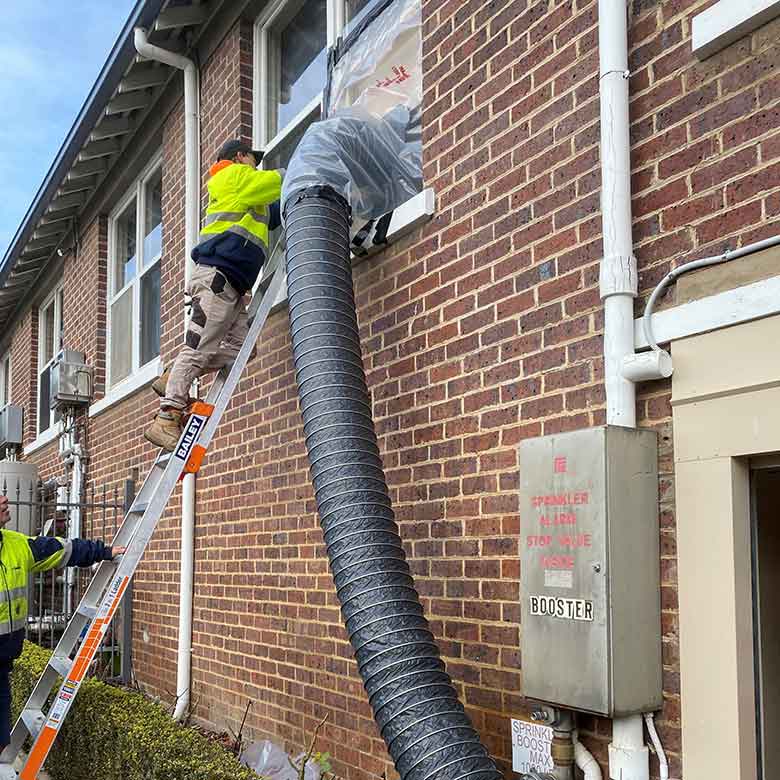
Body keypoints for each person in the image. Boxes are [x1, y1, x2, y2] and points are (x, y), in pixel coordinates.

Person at [145, 139, 285, 451]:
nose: (256, 165)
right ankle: (166, 418)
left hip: (232, 286)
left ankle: (173, 375)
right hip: (217, 280)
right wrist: (300, 169)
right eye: (253, 159)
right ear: (240, 157)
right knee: (197, 349)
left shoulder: (247, 196)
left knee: (244, 351)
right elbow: (274, 182)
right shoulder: (230, 175)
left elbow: (273, 210)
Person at [0, 494, 124, 750]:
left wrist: (104, 551)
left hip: (2, 662)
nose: (5, 498)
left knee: (1, 738)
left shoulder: (16, 545)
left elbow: (62, 550)